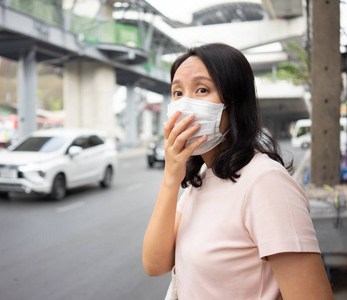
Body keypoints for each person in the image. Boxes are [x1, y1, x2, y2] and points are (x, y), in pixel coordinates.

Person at [142, 43, 333, 299]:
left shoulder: (266, 183)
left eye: (202, 89)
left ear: (234, 103)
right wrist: (170, 177)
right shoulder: (203, 178)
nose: (185, 104)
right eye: (177, 93)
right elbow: (155, 264)